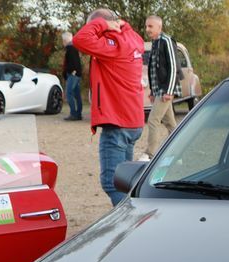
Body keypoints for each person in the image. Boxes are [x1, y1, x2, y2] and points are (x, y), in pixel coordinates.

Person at [72, 8, 145, 205]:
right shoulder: (132, 38)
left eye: (95, 27)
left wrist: (102, 25)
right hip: (132, 121)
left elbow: (80, 40)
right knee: (125, 180)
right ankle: (131, 220)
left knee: (112, 182)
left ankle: (127, 225)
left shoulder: (113, 45)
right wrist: (118, 23)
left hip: (117, 123)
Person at [137, 15, 181, 159]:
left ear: (159, 27)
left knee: (153, 120)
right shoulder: (154, 43)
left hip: (165, 90)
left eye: (150, 26)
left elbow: (174, 66)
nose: (147, 29)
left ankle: (149, 154)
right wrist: (151, 91)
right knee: (170, 124)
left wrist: (169, 90)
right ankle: (178, 152)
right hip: (158, 90)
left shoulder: (166, 41)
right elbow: (153, 69)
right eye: (146, 26)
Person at [62, 32, 83, 121]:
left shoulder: (70, 49)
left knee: (69, 93)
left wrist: (72, 71)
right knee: (77, 95)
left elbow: (73, 62)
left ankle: (73, 114)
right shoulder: (75, 47)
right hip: (77, 74)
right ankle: (78, 114)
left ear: (65, 40)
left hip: (73, 75)